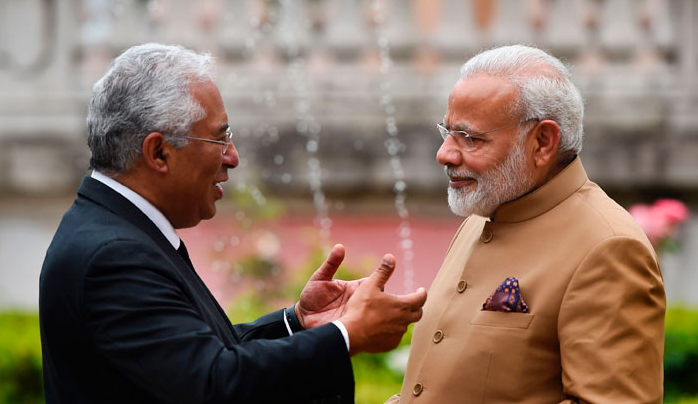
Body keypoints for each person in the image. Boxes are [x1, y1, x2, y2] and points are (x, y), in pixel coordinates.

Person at [39, 43, 427, 404]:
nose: (233, 158)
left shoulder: (115, 228)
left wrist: (298, 322)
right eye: (218, 139)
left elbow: (193, 356)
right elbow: (212, 383)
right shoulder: (113, 256)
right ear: (159, 152)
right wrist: (345, 335)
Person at [387, 45, 665, 403]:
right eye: (447, 131)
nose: (445, 153)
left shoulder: (608, 247)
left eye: (470, 137)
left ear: (542, 143)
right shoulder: (484, 214)